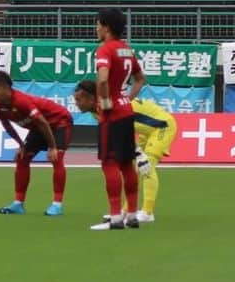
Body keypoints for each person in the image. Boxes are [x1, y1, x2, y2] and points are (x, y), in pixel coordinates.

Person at [73, 80, 177, 224]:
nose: (76, 103)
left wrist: (139, 153)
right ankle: (127, 210)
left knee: (147, 166)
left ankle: (147, 212)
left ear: (91, 98)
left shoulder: (109, 106)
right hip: (143, 131)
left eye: (78, 99)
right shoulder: (96, 111)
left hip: (162, 126)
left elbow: (123, 129)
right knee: (134, 169)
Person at [0, 70, 71, 217]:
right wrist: (20, 144)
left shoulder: (21, 101)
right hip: (38, 127)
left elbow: (43, 122)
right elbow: (6, 125)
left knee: (56, 158)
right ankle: (18, 204)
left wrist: (52, 147)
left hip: (59, 122)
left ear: (7, 88)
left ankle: (57, 204)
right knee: (22, 157)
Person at [90, 8, 146, 231]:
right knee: (126, 164)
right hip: (126, 111)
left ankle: (114, 217)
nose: (96, 28)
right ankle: (131, 214)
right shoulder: (126, 50)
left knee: (109, 163)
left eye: (98, 24)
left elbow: (102, 80)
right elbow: (140, 79)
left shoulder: (105, 50)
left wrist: (105, 102)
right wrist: (126, 98)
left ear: (106, 26)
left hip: (111, 115)